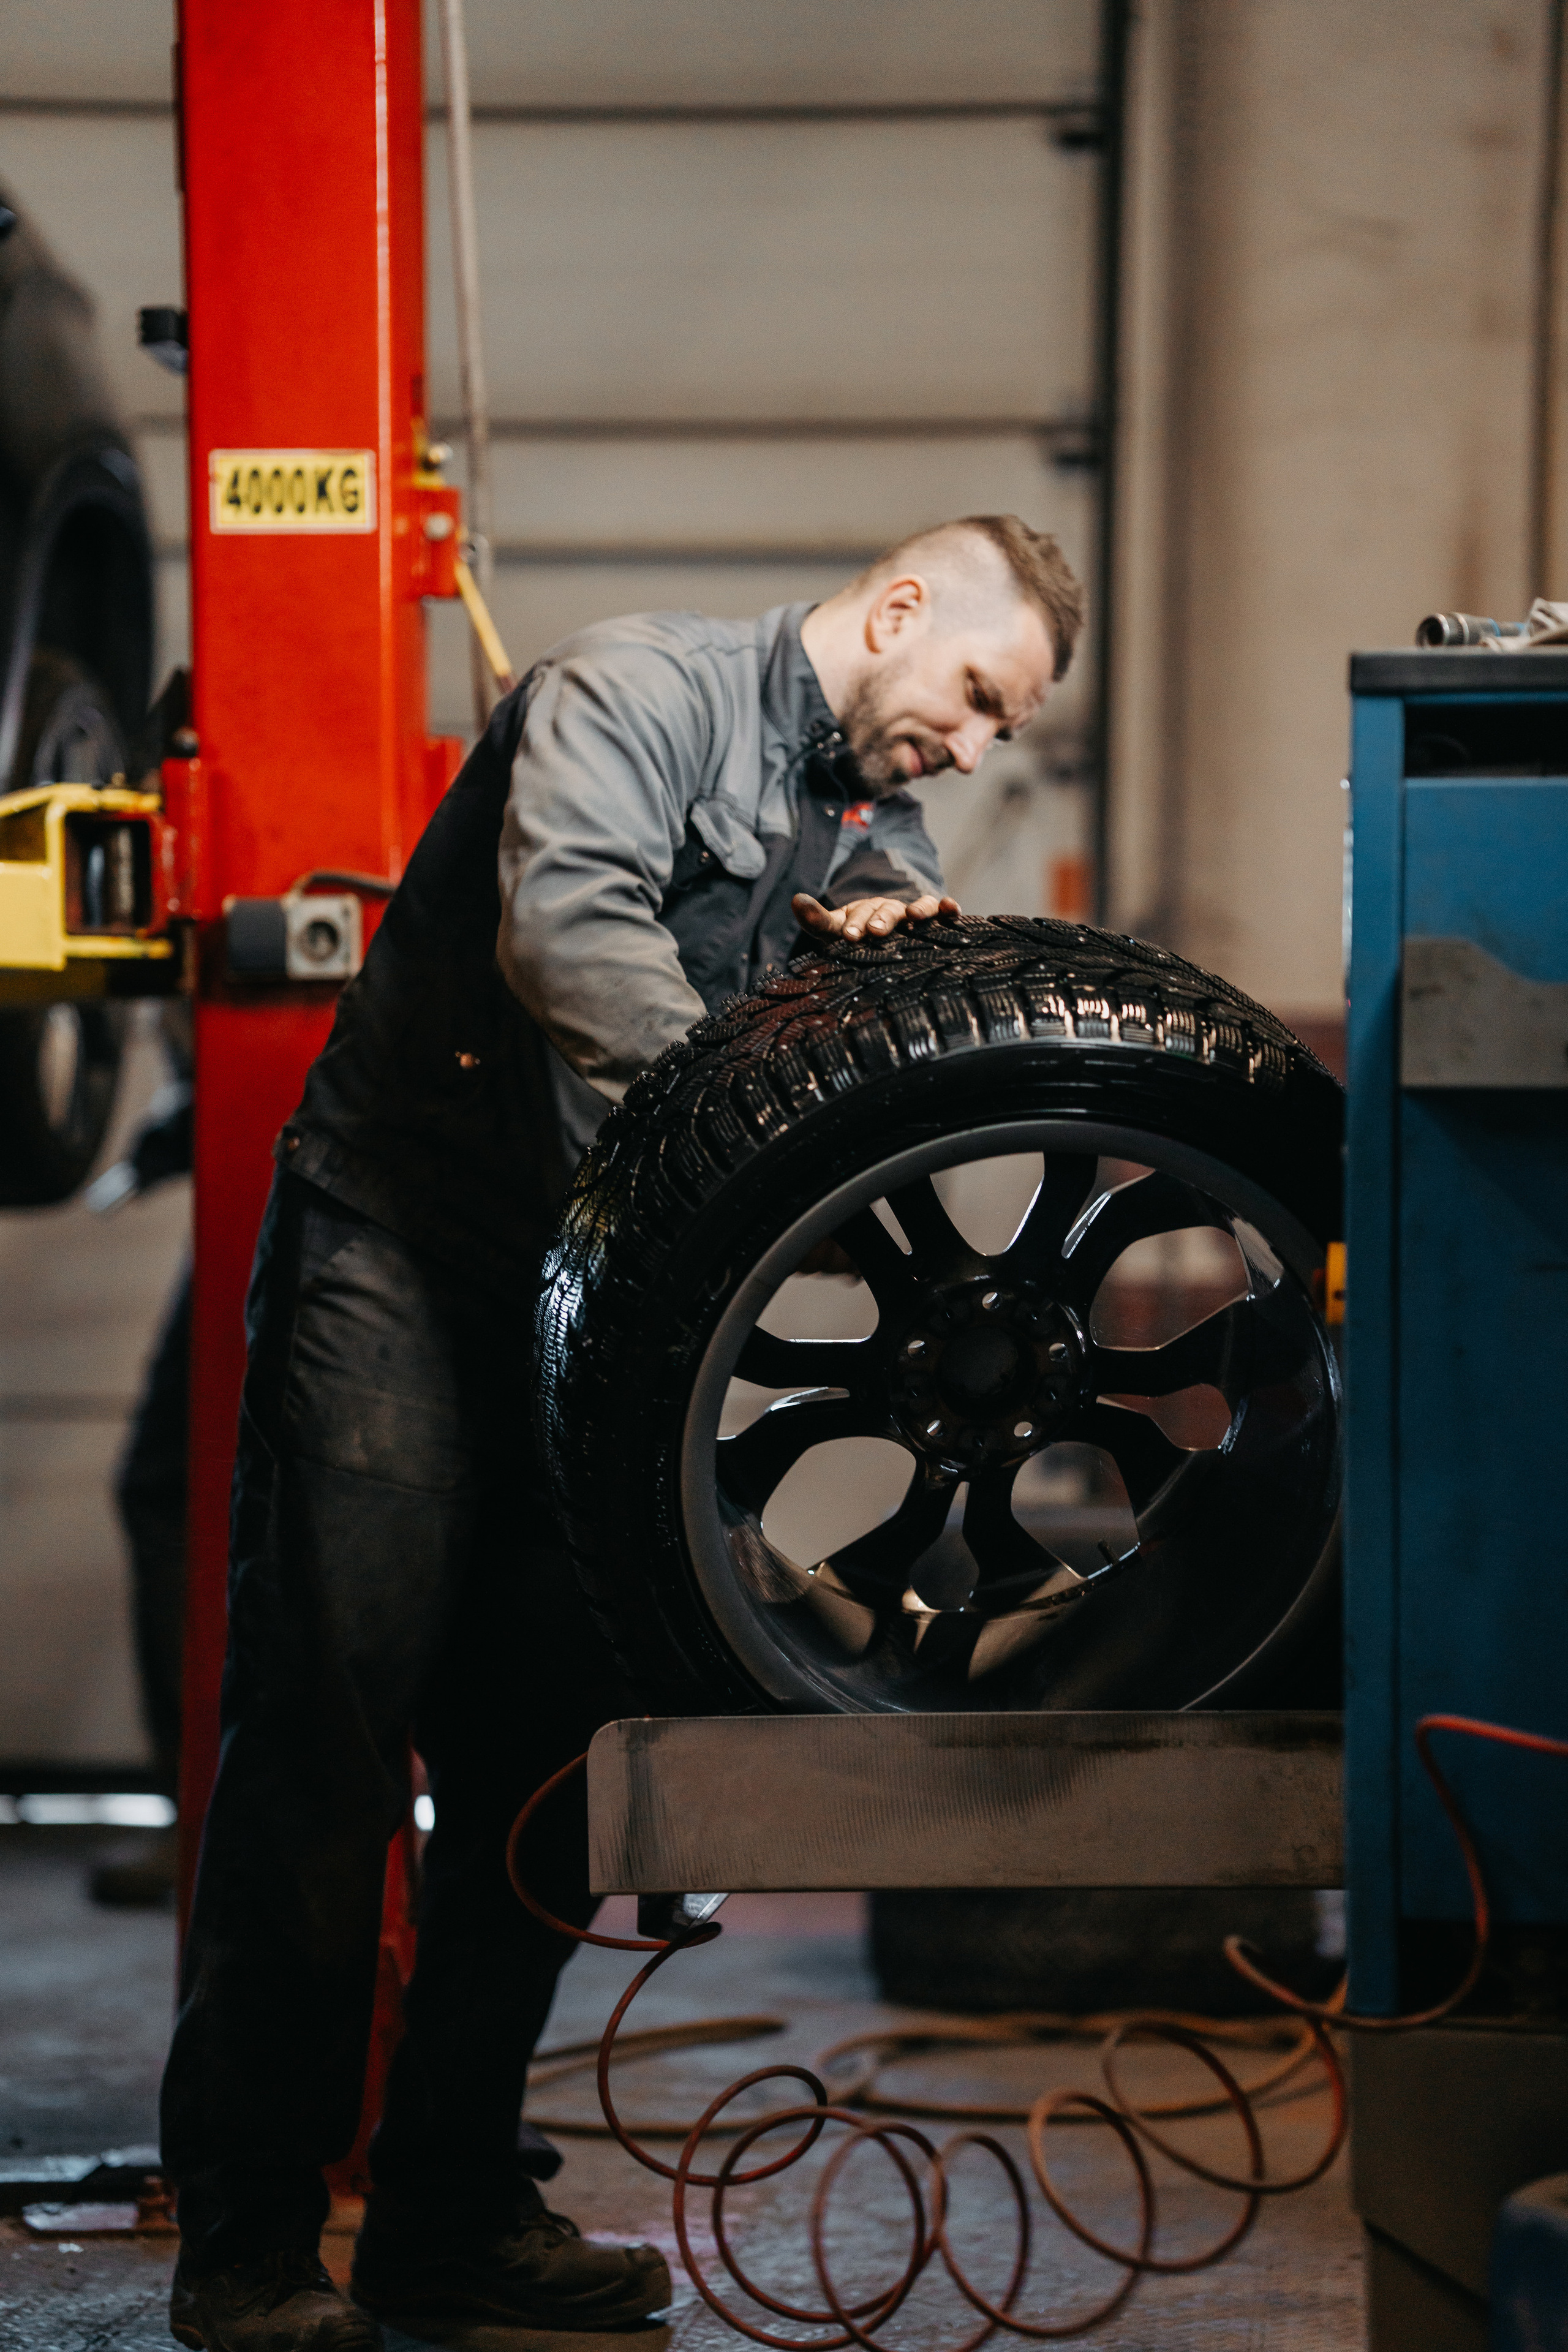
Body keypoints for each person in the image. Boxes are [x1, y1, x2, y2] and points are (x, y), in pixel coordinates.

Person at [160, 515, 1084, 2352]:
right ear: (901, 609)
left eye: (1004, 732)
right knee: (335, 1740)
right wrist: (734, 1139)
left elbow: (875, 1028)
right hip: (402, 1262)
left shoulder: (866, 816)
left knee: (543, 1772)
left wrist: (895, 970)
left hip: (588, 1300)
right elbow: (568, 929)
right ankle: (251, 2247)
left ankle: (443, 2220)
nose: (976, 749)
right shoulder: (628, 691)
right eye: (979, 697)